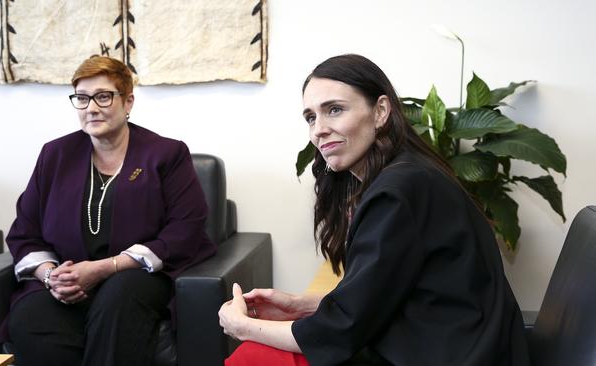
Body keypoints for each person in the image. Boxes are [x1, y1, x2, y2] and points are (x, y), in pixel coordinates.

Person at [218, 54, 530, 366]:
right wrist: (301, 305)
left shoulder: (398, 191)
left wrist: (244, 327)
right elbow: (381, 296)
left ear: (380, 111)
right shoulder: (408, 174)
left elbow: (342, 330)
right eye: (311, 117)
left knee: (252, 357)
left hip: (451, 354)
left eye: (335, 110)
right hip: (450, 343)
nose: (319, 130)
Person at [4, 56, 216, 365]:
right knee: (29, 317)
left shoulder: (167, 154)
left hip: (138, 275)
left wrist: (104, 268)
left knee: (118, 297)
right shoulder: (55, 155)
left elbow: (187, 227)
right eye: (82, 98)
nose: (91, 107)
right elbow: (25, 231)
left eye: (103, 96)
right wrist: (51, 277)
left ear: (128, 101)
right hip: (69, 280)